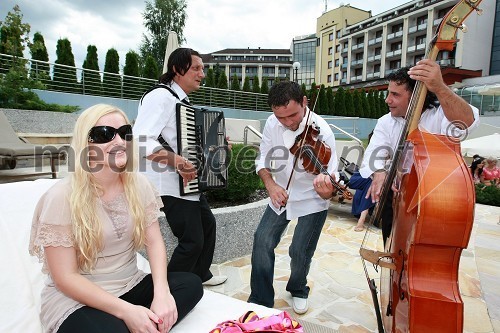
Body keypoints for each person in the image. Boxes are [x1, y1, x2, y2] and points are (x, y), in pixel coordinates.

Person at [29, 104, 203, 333]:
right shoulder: (61, 197)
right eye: (104, 134)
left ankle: (140, 322)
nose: (119, 141)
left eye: (125, 132)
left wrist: (161, 294)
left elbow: (154, 241)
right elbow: (65, 278)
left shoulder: (138, 184)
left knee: (191, 285)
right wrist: (127, 312)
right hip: (78, 298)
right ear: (86, 143)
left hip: (129, 285)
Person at [133, 48, 227, 286]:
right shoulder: (161, 97)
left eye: (202, 69)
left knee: (208, 225)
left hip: (187, 183)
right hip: (165, 184)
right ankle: (168, 289)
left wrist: (218, 145)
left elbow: (190, 143)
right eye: (196, 68)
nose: (201, 74)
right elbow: (141, 140)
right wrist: (176, 161)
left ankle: (199, 276)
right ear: (177, 70)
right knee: (191, 241)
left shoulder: (181, 102)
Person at [359, 60, 480, 245]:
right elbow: (372, 155)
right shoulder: (386, 121)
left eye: (395, 94)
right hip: (398, 198)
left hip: (437, 201)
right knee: (391, 249)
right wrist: (380, 172)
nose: (387, 100)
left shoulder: (441, 115)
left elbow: (467, 123)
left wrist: (440, 87)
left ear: (417, 96)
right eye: (388, 93)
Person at [247, 81, 339, 315]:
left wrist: (326, 189)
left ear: (305, 102)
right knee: (262, 240)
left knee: (299, 251)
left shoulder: (323, 131)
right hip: (281, 194)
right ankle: (260, 298)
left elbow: (331, 179)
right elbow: (262, 161)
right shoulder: (271, 123)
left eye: (293, 115)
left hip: (312, 198)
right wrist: (270, 185)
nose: (288, 122)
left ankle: (298, 288)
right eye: (281, 118)